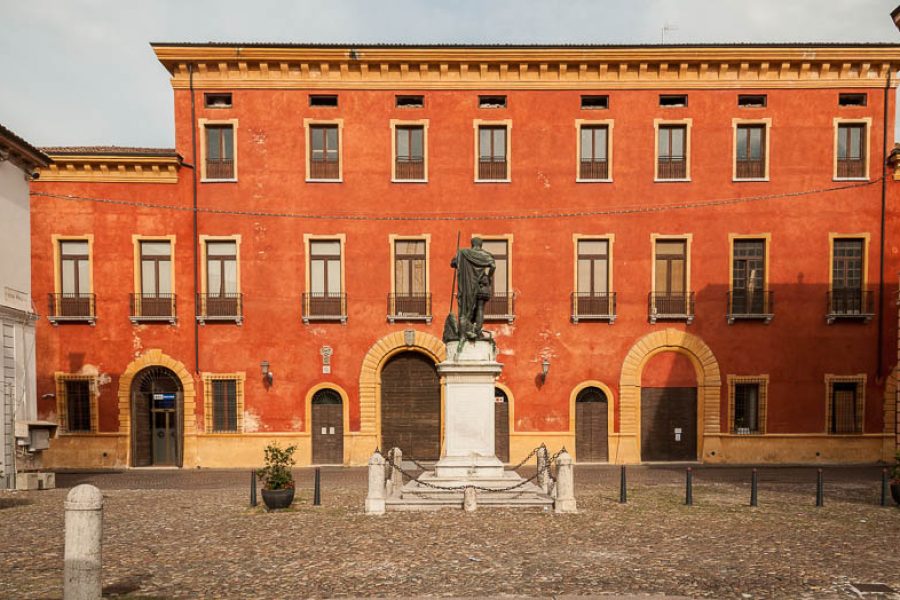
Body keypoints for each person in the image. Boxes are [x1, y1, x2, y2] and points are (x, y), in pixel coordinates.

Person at [450, 237, 496, 341]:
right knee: (480, 308)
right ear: (481, 245)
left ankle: (464, 333)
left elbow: (453, 263)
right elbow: (493, 266)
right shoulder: (486, 255)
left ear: (472, 244)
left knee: (465, 310)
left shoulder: (464, 253)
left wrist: (459, 257)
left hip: (468, 286)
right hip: (482, 285)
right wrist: (489, 277)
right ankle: (477, 332)